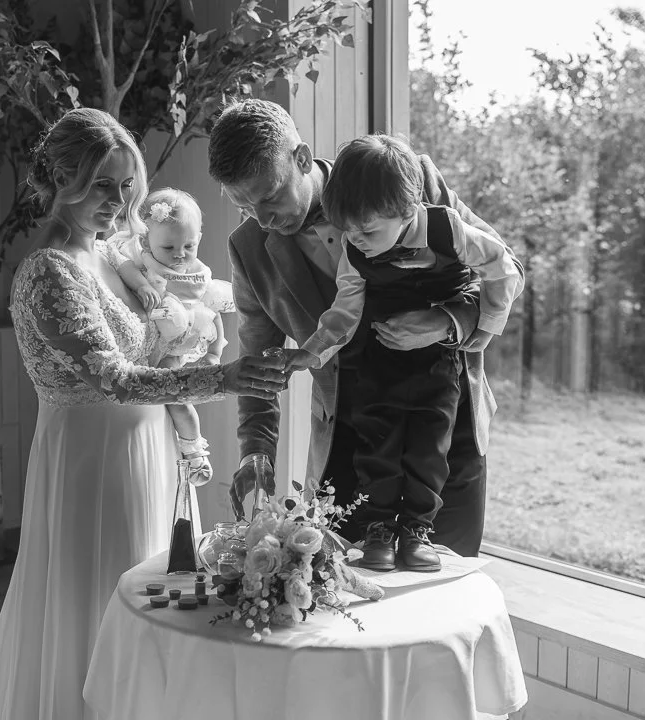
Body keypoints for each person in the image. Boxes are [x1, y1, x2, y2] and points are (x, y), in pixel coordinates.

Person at [0, 107, 287, 720]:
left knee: (162, 595)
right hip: (92, 458)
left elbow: (162, 331)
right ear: (61, 181)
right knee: (99, 595)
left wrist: (199, 333)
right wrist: (222, 377)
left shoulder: (115, 256)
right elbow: (113, 378)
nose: (118, 200)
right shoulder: (49, 273)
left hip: (151, 448)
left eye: (125, 184)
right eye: (101, 184)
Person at [207, 98, 523, 556]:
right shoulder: (249, 248)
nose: (263, 219)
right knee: (350, 599)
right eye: (244, 205)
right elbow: (258, 359)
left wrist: (445, 321)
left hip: (443, 421)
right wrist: (256, 448)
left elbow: (505, 267)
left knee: (444, 587)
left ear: (301, 158)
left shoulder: (400, 175)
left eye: (271, 196)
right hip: (349, 440)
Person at [282, 134, 522, 571]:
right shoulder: (356, 249)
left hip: (437, 367)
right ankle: (378, 530)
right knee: (379, 449)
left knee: (430, 449)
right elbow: (344, 310)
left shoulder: (449, 229)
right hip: (377, 366)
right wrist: (312, 352)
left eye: (368, 231)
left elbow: (503, 267)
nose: (357, 240)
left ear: (407, 210)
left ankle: (416, 531)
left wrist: (482, 328)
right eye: (348, 231)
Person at [109, 187, 236, 485]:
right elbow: (124, 267)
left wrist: (215, 351)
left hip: (178, 345)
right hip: (151, 341)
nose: (180, 255)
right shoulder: (141, 261)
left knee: (177, 399)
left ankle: (194, 449)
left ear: (198, 240)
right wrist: (142, 286)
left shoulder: (197, 273)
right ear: (145, 241)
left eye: (189, 246)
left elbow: (212, 311)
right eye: (169, 248)